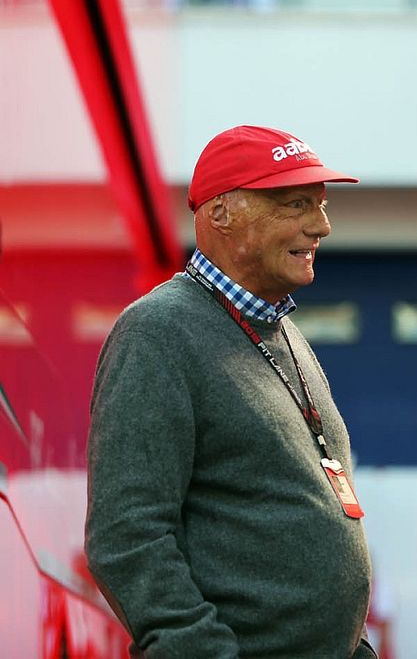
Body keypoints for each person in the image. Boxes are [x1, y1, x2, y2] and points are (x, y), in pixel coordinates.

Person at [85, 125, 376, 658]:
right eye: (296, 205)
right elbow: (127, 536)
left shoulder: (285, 334)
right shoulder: (158, 332)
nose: (322, 226)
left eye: (321, 204)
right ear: (220, 215)